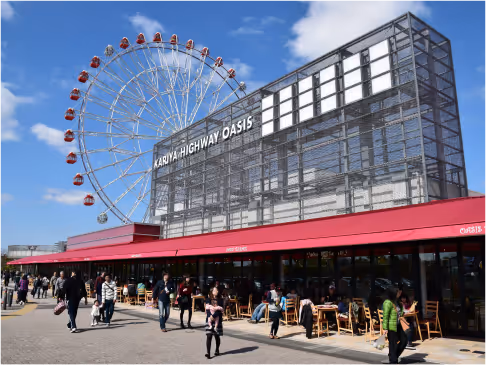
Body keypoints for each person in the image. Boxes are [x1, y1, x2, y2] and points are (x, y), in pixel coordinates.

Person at [383, 287, 406, 365]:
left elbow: (400, 312)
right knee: (393, 344)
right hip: (391, 326)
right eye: (398, 292)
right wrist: (385, 328)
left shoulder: (397, 302)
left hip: (398, 325)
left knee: (404, 340)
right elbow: (385, 316)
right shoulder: (387, 302)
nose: (399, 293)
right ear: (393, 293)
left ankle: (393, 356)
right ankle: (393, 361)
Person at [205, 287, 224, 359]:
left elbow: (221, 310)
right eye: (215, 290)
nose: (216, 291)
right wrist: (211, 316)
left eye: (217, 290)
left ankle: (217, 349)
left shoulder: (220, 300)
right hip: (209, 319)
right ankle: (208, 353)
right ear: (212, 292)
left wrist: (214, 316)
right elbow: (207, 308)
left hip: (217, 319)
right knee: (209, 336)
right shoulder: (208, 299)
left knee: (216, 336)